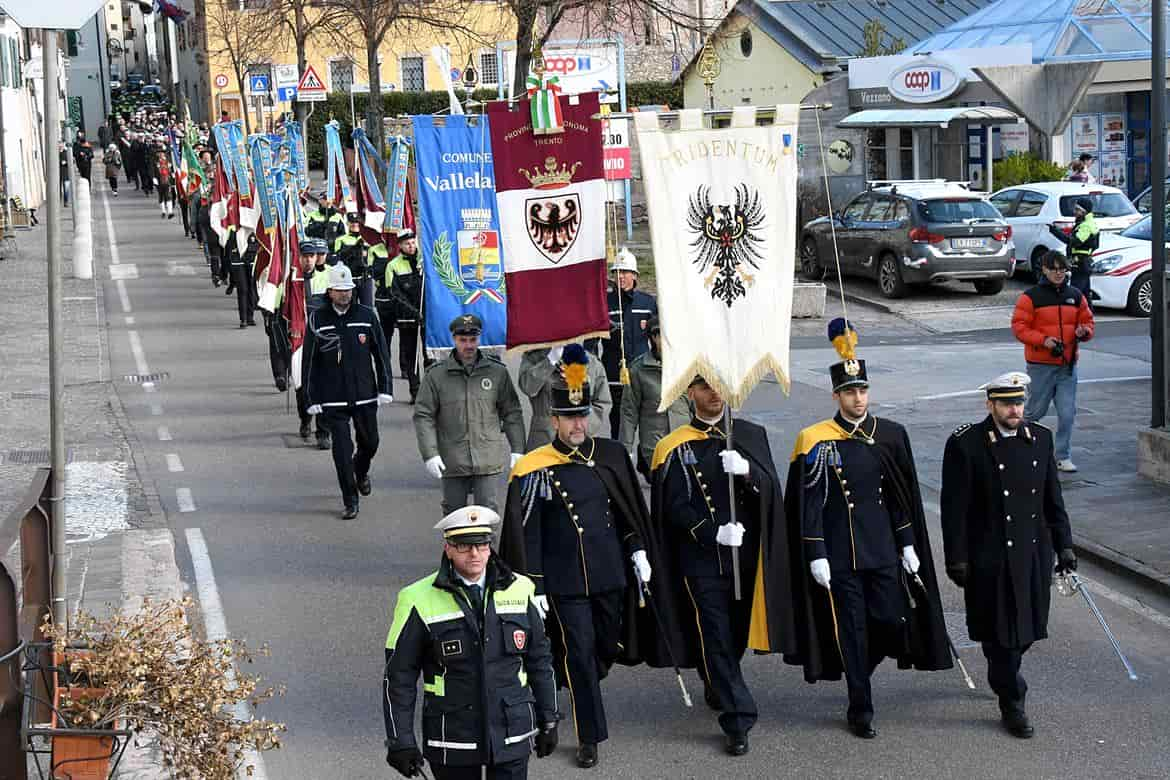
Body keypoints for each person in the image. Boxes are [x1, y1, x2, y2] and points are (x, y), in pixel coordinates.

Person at [785, 319, 951, 739]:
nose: (857, 398)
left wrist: (908, 542)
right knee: (853, 629)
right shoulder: (816, 440)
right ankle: (860, 703)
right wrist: (815, 551)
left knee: (891, 621)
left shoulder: (890, 435)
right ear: (836, 395)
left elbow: (900, 495)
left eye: (862, 390)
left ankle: (858, 667)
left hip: (881, 550)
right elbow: (810, 501)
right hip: (840, 555)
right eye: (849, 392)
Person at [499, 373, 660, 770]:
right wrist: (532, 583)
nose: (577, 424)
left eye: (582, 415)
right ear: (553, 419)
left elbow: (626, 511)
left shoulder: (609, 455)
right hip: (564, 579)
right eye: (568, 417)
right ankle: (590, 735)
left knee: (606, 647)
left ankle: (562, 678)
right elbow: (526, 532)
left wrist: (638, 548)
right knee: (582, 653)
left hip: (609, 573)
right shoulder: (535, 467)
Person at [648, 376, 798, 756]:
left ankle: (717, 680)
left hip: (744, 560)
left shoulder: (749, 435)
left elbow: (770, 490)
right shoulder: (674, 446)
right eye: (703, 387)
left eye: (718, 386)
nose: (713, 393)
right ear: (690, 393)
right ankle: (738, 718)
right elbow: (672, 507)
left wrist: (747, 473)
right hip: (700, 561)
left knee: (731, 637)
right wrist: (712, 532)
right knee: (714, 633)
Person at [940, 371, 1076, 739]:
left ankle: (1003, 670)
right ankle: (1012, 702)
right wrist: (957, 557)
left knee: (1026, 631)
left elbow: (1052, 499)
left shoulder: (1041, 439)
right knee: (1001, 635)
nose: (1015, 410)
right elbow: (954, 509)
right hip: (990, 557)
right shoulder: (966, 444)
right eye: (1006, 403)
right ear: (991, 405)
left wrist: (1064, 545)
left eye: (1018, 402)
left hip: (1033, 554)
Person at [383, 505, 559, 780]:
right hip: (453, 737)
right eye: (464, 546)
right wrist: (400, 741)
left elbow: (539, 658)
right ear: (448, 548)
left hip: (512, 733)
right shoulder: (416, 598)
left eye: (481, 545)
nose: (474, 553)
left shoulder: (521, 589)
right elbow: (399, 676)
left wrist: (549, 716)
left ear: (490, 547)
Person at [302, 264, 393, 519]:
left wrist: (385, 387)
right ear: (329, 291)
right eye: (339, 290)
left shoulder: (366, 315)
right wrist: (310, 398)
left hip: (364, 393)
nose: (345, 295)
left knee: (371, 443)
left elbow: (381, 353)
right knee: (341, 450)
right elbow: (309, 361)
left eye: (348, 290)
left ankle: (361, 471)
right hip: (333, 397)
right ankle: (350, 499)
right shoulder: (318, 319)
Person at [413, 314, 525, 515]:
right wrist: (430, 453)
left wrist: (518, 448)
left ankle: (487, 548)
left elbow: (511, 412)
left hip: (487, 459)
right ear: (454, 339)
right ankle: (454, 548)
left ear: (479, 338)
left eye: (473, 339)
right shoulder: (436, 375)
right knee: (454, 516)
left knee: (487, 515)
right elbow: (424, 416)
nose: (468, 345)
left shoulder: (496, 372)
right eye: (463, 340)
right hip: (452, 458)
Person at [1011, 250, 1094, 472]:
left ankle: (1062, 456)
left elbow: (1088, 322)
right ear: (1044, 270)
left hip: (1067, 366)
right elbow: (1019, 328)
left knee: (1067, 413)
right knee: (1034, 412)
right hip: (1040, 366)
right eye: (1053, 268)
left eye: (1062, 268)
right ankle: (1017, 448)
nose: (1058, 273)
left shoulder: (1076, 295)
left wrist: (1083, 331)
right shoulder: (1030, 297)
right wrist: (1043, 341)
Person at [587, 248, 657, 438]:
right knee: (617, 416)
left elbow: (659, 338)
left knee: (646, 417)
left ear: (635, 275)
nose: (620, 276)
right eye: (616, 272)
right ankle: (621, 453)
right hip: (613, 370)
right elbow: (591, 343)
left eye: (625, 272)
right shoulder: (603, 302)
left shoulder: (648, 302)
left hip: (644, 371)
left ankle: (645, 459)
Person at [619, 316, 690, 480]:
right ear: (652, 338)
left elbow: (698, 405)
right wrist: (626, 450)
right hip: (655, 445)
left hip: (685, 441)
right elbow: (629, 412)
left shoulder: (688, 366)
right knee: (662, 493)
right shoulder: (638, 370)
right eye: (660, 335)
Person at [519, 344, 611, 452]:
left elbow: (603, 402)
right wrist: (549, 361)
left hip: (582, 441)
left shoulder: (591, 362)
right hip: (544, 439)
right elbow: (527, 387)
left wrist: (582, 427)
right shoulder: (534, 357)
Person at [373, 228, 424, 402]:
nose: (411, 246)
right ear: (400, 245)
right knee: (411, 356)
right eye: (407, 244)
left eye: (413, 242)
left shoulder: (425, 261)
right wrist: (413, 312)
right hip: (407, 318)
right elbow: (394, 294)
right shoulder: (393, 266)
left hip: (427, 318)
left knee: (430, 356)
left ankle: (432, 392)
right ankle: (415, 391)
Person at [299, 238, 332, 449]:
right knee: (303, 386)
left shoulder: (328, 277)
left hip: (323, 340)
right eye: (305, 257)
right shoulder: (291, 278)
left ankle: (323, 431)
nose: (309, 260)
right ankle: (305, 419)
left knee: (323, 385)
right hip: (300, 339)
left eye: (312, 256)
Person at [1048, 197, 1099, 301]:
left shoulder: (1086, 225)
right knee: (1084, 296)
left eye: (1077, 209)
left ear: (1084, 211)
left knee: (1074, 295)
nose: (1074, 212)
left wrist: (1055, 231)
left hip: (1081, 263)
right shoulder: (1085, 223)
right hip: (1082, 263)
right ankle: (1087, 316)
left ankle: (1074, 315)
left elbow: (1074, 242)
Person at [332, 213, 372, 307]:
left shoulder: (367, 239)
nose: (355, 225)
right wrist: (353, 249)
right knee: (350, 308)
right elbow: (337, 259)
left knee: (367, 307)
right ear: (347, 223)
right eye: (352, 222)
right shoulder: (340, 240)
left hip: (365, 279)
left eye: (357, 222)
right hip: (349, 279)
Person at [224, 230, 259, 328]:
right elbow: (227, 250)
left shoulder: (253, 226)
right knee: (243, 289)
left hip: (251, 257)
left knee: (251, 287)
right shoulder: (233, 229)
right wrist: (224, 272)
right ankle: (243, 319)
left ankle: (250, 316)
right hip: (237, 259)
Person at [156, 149, 175, 219]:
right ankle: (163, 211)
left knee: (168, 195)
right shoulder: (155, 161)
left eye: (162, 153)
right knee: (161, 196)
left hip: (167, 180)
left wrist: (173, 176)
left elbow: (172, 169)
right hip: (159, 180)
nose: (161, 154)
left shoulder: (168, 161)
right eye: (160, 153)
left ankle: (170, 212)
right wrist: (153, 177)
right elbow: (152, 169)